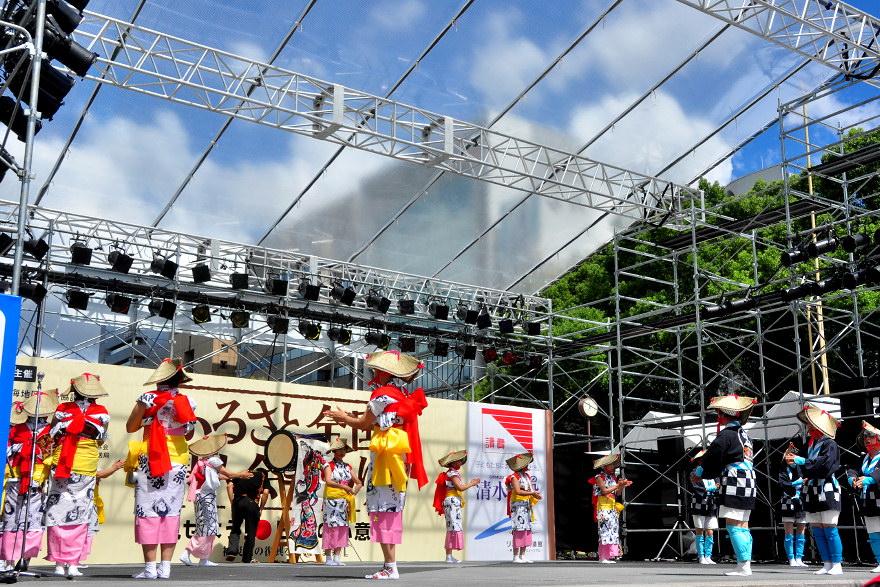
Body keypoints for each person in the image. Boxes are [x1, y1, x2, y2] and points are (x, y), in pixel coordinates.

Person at [324, 349, 429, 580]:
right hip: (398, 459)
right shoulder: (400, 394)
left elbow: (363, 423)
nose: (373, 374)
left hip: (385, 459)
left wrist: (343, 418)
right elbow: (378, 424)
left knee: (383, 510)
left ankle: (390, 567)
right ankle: (390, 565)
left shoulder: (381, 395)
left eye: (375, 370)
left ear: (384, 373)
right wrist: (350, 418)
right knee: (391, 511)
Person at [125, 358, 198, 580]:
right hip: (177, 460)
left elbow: (130, 427)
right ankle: (165, 568)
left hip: (152, 458)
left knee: (147, 511)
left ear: (159, 380)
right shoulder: (188, 401)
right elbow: (188, 434)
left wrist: (146, 412)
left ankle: (150, 568)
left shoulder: (147, 399)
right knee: (171, 512)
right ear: (179, 380)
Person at [44, 373, 111, 577]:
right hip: (82, 463)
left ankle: (60, 562)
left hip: (66, 462)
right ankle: (72, 561)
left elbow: (53, 434)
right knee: (78, 513)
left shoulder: (63, 409)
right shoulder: (102, 412)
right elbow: (101, 439)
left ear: (74, 390)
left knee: (58, 511)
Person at [697, 394, 757, 577]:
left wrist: (701, 471)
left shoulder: (728, 434)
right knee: (743, 525)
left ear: (724, 415)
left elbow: (713, 455)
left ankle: (744, 566)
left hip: (735, 480)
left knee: (733, 524)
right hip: (749, 481)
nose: (718, 417)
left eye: (719, 413)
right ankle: (744, 564)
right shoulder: (744, 435)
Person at [0, 388, 58, 570]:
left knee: (33, 519)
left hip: (38, 480)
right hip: (17, 477)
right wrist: (20, 448)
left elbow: (49, 455)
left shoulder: (50, 431)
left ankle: (25, 558)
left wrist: (37, 451)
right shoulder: (17, 429)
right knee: (12, 518)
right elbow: (6, 451)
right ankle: (8, 559)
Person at [786, 404, 842, 575]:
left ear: (820, 427)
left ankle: (837, 564)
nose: (808, 428)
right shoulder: (810, 445)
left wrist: (802, 461)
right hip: (811, 489)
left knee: (830, 528)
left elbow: (825, 465)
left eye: (811, 425)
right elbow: (804, 467)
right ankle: (827, 563)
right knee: (817, 529)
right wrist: (794, 462)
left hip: (827, 488)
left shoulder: (830, 444)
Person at [180, 434, 251, 567]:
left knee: (205, 526)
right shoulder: (213, 460)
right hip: (206, 496)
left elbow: (216, 476)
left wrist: (233, 476)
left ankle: (203, 558)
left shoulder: (201, 461)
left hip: (201, 496)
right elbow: (228, 473)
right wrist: (241, 474)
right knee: (209, 526)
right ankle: (188, 552)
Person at [322, 437, 362, 566]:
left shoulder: (347, 466)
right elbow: (328, 481)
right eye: (339, 450)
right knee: (331, 526)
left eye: (343, 450)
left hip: (343, 501)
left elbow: (359, 482)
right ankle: (328, 557)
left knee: (342, 526)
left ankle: (337, 556)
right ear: (334, 451)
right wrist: (344, 487)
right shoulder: (328, 465)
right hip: (331, 500)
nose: (341, 452)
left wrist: (353, 492)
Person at [433, 449, 479, 564]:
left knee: (452, 527)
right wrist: (472, 483)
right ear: (453, 462)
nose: (460, 462)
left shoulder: (452, 472)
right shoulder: (452, 473)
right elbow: (460, 487)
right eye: (458, 460)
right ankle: (449, 556)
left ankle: (449, 556)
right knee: (453, 527)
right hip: (452, 501)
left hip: (452, 501)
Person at [80, 459, 126, 568]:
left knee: (88, 532)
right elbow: (99, 474)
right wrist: (115, 467)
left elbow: (100, 474)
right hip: (81, 503)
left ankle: (77, 559)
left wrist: (114, 468)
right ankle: (72, 560)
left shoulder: (92, 458)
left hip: (91, 501)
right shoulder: (81, 459)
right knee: (79, 531)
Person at [225, 467, 270, 564]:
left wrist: (233, 503)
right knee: (251, 532)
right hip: (251, 503)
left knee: (235, 527)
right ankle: (247, 558)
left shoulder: (243, 474)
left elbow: (229, 486)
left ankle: (232, 551)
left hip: (238, 501)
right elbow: (265, 493)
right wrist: (261, 508)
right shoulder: (263, 476)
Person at [591, 453, 629, 564]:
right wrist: (618, 485)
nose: (613, 467)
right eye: (611, 464)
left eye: (614, 465)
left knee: (612, 532)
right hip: (603, 508)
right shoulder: (599, 477)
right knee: (604, 532)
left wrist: (622, 485)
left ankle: (607, 556)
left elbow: (617, 493)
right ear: (605, 466)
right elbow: (604, 491)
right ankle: (603, 557)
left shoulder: (613, 477)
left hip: (612, 508)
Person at [853, 421, 880, 573]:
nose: (867, 439)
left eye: (870, 436)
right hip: (868, 500)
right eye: (864, 437)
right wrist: (852, 478)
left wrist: (869, 479)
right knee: (874, 533)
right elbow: (853, 470)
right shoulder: (863, 458)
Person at [505, 452, 542, 564]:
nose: (528, 465)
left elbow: (528, 490)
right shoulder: (514, 477)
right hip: (518, 505)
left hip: (526, 505)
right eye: (526, 464)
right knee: (519, 529)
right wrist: (532, 493)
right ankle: (515, 556)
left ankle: (523, 555)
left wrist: (534, 494)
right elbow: (518, 491)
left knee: (526, 529)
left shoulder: (526, 476)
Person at [778, 443, 807, 567]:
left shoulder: (801, 468)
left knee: (801, 531)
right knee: (788, 533)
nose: (788, 458)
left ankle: (799, 557)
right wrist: (796, 483)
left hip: (800, 501)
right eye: (787, 456)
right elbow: (783, 484)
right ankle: (791, 558)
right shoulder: (783, 469)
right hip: (787, 501)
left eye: (791, 455)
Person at [689, 448, 718, 565]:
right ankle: (701, 556)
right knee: (699, 530)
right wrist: (711, 489)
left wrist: (715, 488)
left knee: (710, 531)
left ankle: (708, 555)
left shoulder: (713, 473)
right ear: (699, 461)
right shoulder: (694, 472)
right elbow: (695, 486)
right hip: (699, 503)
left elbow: (718, 485)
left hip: (711, 504)